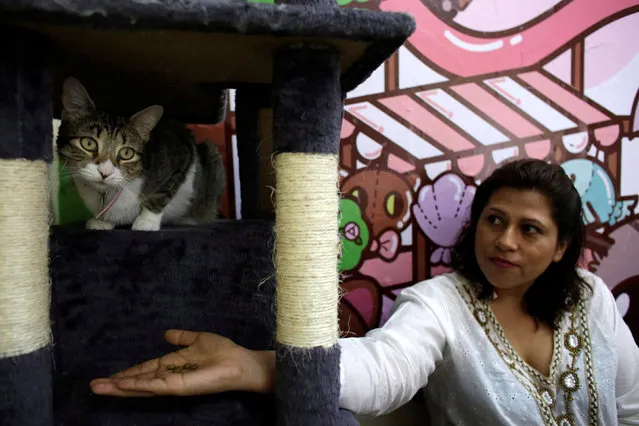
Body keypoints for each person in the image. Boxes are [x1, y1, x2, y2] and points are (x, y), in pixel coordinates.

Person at [90, 159, 639, 425]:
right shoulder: (439, 303)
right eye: (494, 220)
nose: (506, 241)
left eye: (530, 229)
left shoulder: (589, 298)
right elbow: (380, 370)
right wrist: (256, 367)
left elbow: (631, 407)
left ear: (563, 247)